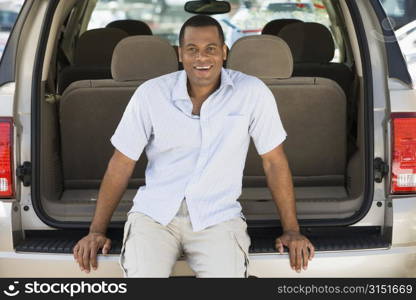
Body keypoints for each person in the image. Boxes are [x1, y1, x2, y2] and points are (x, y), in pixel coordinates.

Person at [73, 15, 314, 277]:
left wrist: (292, 230)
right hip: (154, 215)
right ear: (180, 54)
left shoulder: (252, 93)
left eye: (210, 49)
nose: (202, 58)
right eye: (192, 50)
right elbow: (121, 163)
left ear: (224, 52)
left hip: (217, 216)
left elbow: (274, 162)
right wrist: (96, 231)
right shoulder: (150, 94)